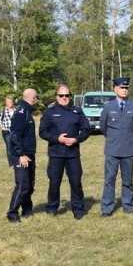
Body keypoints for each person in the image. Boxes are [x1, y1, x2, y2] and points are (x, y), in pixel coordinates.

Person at [39, 85, 90, 219]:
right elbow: (42, 132)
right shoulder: (50, 112)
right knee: (54, 182)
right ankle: (52, 207)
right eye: (61, 95)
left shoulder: (77, 111)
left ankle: (78, 209)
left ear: (70, 97)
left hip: (73, 154)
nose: (64, 98)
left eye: (67, 95)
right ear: (56, 97)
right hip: (56, 153)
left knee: (76, 182)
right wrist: (57, 139)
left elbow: (86, 130)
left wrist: (76, 139)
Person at [100, 77, 133, 216]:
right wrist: (114, 138)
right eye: (121, 88)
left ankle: (128, 206)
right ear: (115, 89)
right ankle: (107, 208)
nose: (124, 90)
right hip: (112, 149)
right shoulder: (108, 106)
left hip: (128, 148)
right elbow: (103, 127)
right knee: (109, 180)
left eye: (126, 88)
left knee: (127, 180)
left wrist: (128, 138)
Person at [7, 88, 38, 222]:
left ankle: (27, 210)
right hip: (22, 155)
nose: (36, 100)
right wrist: (21, 154)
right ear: (31, 98)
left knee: (30, 185)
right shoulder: (21, 113)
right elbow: (14, 136)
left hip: (29, 154)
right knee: (23, 185)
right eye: (35, 97)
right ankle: (12, 213)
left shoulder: (28, 112)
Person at [0, 96, 15, 165]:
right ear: (6, 103)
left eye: (11, 101)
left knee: (16, 145)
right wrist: (2, 128)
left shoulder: (16, 110)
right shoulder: (3, 110)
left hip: (15, 131)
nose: (10, 103)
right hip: (6, 132)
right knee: (9, 146)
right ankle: (11, 162)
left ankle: (16, 158)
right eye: (8, 102)